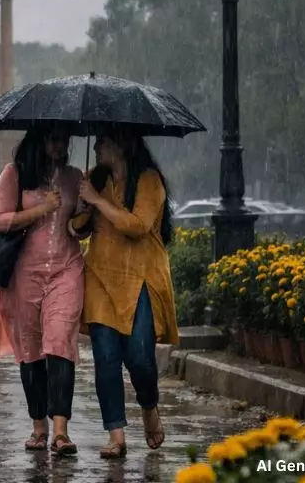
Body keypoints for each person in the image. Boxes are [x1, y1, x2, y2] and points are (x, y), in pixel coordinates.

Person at [72, 127, 179, 458]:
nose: (97, 147)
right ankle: (116, 435)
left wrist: (98, 200)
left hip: (140, 280)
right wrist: (83, 202)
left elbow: (136, 226)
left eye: (102, 141)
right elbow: (76, 228)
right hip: (101, 280)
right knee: (105, 359)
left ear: (122, 143)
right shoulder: (97, 180)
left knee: (140, 359)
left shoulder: (148, 180)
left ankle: (149, 406)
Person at [0, 125, 85, 456]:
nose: (60, 144)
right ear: (39, 140)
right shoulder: (14, 175)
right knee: (32, 348)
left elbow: (80, 228)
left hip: (66, 270)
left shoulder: (74, 176)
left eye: (65, 139)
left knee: (60, 342)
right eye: (54, 138)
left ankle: (61, 431)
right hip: (24, 274)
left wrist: (85, 212)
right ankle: (39, 426)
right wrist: (42, 209)